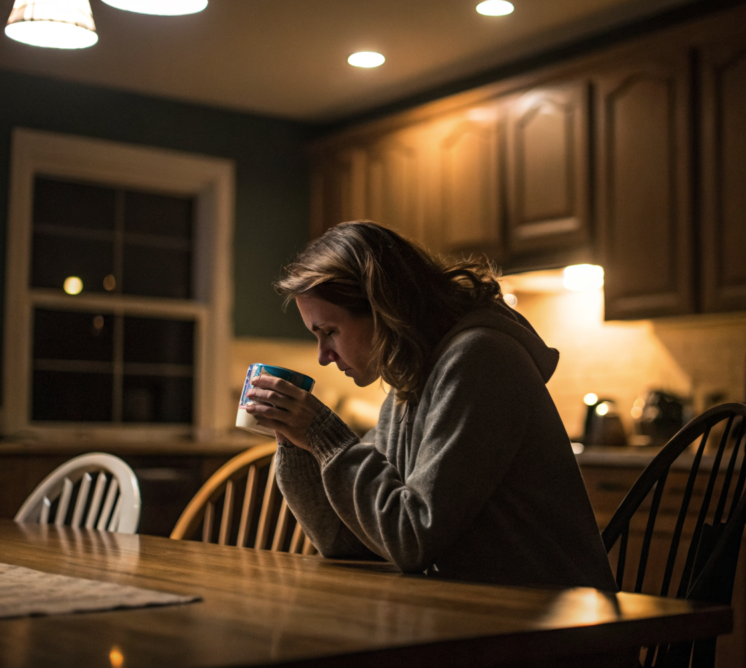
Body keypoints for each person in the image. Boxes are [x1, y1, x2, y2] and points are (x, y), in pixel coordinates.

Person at [246, 221, 617, 590]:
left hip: (553, 622)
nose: (324, 356)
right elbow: (352, 543)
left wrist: (324, 436)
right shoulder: (408, 383)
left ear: (383, 308)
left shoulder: (480, 359)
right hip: (475, 611)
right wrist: (295, 439)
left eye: (330, 331)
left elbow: (412, 539)